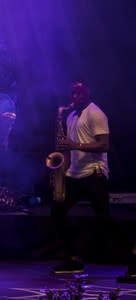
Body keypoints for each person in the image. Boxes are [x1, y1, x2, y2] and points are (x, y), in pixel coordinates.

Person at [50, 82, 111, 274]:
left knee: (105, 218)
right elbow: (68, 149)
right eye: (72, 94)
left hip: (94, 171)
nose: (74, 97)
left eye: (79, 94)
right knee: (57, 213)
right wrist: (59, 171)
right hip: (74, 173)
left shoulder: (96, 114)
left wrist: (75, 144)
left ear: (86, 95)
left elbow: (104, 145)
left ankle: (131, 256)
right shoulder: (70, 117)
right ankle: (72, 259)